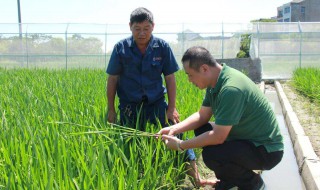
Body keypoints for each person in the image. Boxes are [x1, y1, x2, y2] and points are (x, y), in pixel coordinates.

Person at [106, 8, 215, 188]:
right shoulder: (121, 48)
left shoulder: (162, 47)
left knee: (176, 134)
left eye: (146, 28)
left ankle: (197, 179)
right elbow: (113, 79)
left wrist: (171, 107)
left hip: (156, 103)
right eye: (137, 28)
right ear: (130, 27)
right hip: (129, 106)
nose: (142, 33)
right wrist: (111, 109)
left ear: (153, 27)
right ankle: (136, 180)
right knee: (131, 143)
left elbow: (170, 78)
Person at [159, 46, 284, 190]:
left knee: (212, 154)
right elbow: (202, 116)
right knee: (202, 129)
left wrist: (181, 145)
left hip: (266, 150)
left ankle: (253, 184)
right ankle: (229, 181)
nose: (189, 80)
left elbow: (218, 137)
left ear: (204, 69)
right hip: (246, 140)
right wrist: (173, 129)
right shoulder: (216, 82)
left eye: (190, 75)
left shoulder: (231, 88)